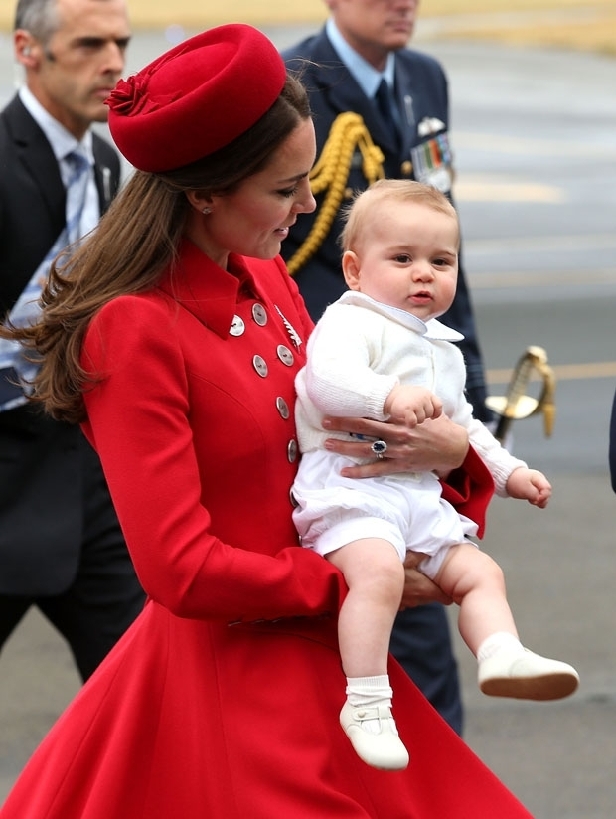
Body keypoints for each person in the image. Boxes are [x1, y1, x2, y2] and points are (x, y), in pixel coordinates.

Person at [0, 24, 537, 818]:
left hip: (325, 657)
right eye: (285, 190)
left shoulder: (262, 275)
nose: (310, 206)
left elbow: (337, 439)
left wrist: (455, 452)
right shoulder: (136, 326)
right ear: (205, 191)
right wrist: (354, 579)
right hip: (232, 683)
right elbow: (178, 567)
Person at [292, 179, 580, 771]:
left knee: (479, 572)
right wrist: (387, 394)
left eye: (441, 261)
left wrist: (510, 472)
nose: (423, 274)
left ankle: (501, 653)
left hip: (416, 496)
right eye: (402, 259)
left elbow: (466, 427)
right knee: (377, 575)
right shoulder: (351, 321)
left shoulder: (441, 347)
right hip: (352, 488)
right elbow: (326, 380)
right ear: (353, 269)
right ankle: (367, 700)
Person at [281, 0, 488, 733]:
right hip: (338, 401)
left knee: (429, 653)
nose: (404, 3)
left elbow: (439, 246)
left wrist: (473, 408)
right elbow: (277, 253)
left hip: (422, 407)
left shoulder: (424, 78)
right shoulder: (291, 84)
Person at [0, 0, 145, 683]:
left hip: (91, 489)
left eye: (121, 43)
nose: (115, 63)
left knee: (142, 696)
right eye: (91, 44)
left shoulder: (112, 166)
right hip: (6, 477)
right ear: (28, 49)